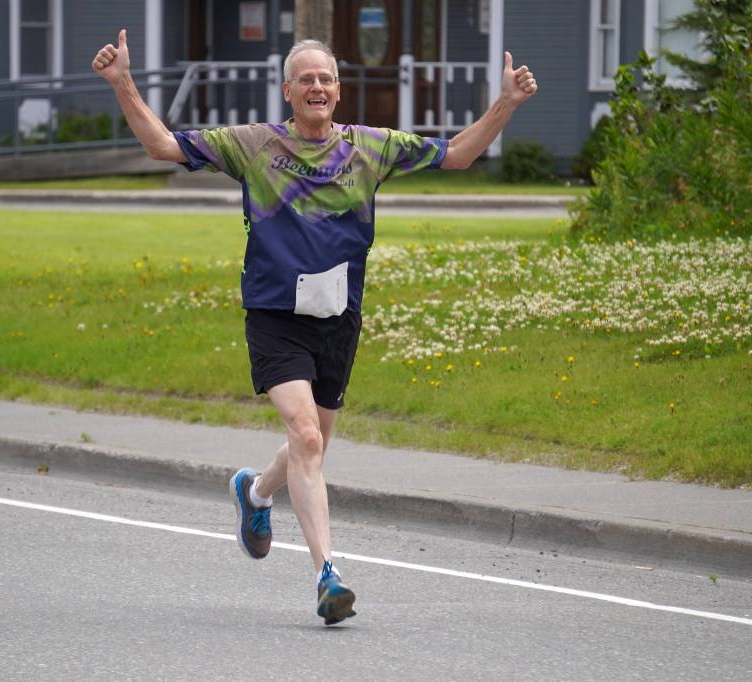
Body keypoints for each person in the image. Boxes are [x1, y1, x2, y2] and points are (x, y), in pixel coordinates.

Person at [92, 29, 537, 625]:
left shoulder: (370, 149)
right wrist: (123, 83)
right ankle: (328, 575)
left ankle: (256, 492)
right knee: (305, 437)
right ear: (288, 91)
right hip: (276, 317)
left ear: (338, 90)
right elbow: (161, 146)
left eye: (326, 79)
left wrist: (505, 103)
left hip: (337, 318)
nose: (317, 87)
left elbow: (456, 155)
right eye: (306, 79)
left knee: (314, 444)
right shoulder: (254, 145)